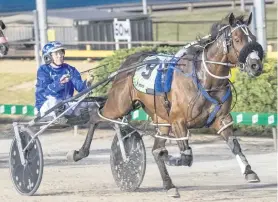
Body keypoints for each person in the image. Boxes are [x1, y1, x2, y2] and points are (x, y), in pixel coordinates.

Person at [35, 41, 92, 122]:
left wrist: (88, 83)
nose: (60, 55)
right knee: (54, 100)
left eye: (61, 52)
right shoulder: (43, 70)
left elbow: (81, 89)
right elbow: (45, 92)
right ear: (48, 56)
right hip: (46, 106)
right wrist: (60, 83)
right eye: (56, 53)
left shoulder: (70, 69)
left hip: (65, 105)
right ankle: (61, 115)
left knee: (88, 102)